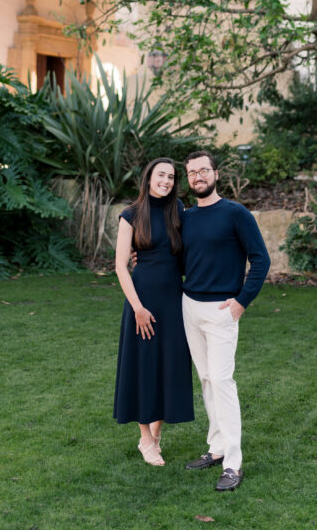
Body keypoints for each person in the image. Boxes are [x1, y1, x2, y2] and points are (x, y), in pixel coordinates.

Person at [181, 150, 270, 492]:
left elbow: (261, 259)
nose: (198, 177)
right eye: (192, 173)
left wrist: (242, 302)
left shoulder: (236, 214)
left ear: (216, 174)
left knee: (221, 380)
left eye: (204, 170)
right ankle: (216, 448)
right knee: (205, 379)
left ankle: (233, 463)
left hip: (222, 310)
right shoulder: (187, 217)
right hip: (190, 306)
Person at [113, 157, 194, 465]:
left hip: (174, 299)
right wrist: (138, 308)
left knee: (170, 366)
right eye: (161, 175)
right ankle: (145, 439)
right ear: (148, 178)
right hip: (142, 299)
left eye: (171, 177)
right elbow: (121, 266)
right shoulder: (131, 214)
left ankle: (156, 435)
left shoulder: (179, 211)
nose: (166, 181)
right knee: (144, 367)